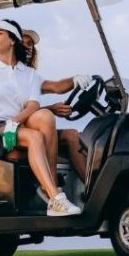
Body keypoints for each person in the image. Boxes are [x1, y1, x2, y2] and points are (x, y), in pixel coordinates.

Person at [0, 19, 82, 217]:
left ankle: (52, 194)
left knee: (45, 116)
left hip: (15, 125)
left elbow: (33, 105)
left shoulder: (29, 74)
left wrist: (14, 122)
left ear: (12, 40)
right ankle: (55, 197)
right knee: (35, 137)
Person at [19, 27, 92, 178]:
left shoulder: (31, 76)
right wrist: (51, 109)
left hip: (33, 124)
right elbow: (17, 112)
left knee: (73, 135)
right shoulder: (4, 74)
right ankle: (52, 188)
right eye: (23, 42)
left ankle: (92, 192)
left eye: (30, 44)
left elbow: (56, 86)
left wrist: (74, 80)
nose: (27, 47)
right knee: (50, 120)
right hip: (16, 126)